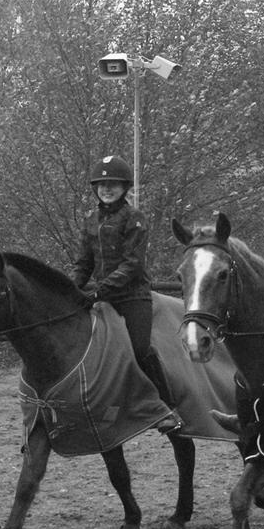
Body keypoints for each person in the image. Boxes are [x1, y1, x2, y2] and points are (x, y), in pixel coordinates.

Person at [72, 155, 179, 432]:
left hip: (133, 296)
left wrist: (100, 289)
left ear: (125, 187)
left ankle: (166, 407)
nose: (107, 189)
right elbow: (84, 263)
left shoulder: (135, 218)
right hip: (101, 295)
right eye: (102, 184)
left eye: (114, 184)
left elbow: (133, 264)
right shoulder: (89, 221)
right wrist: (71, 289)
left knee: (140, 349)